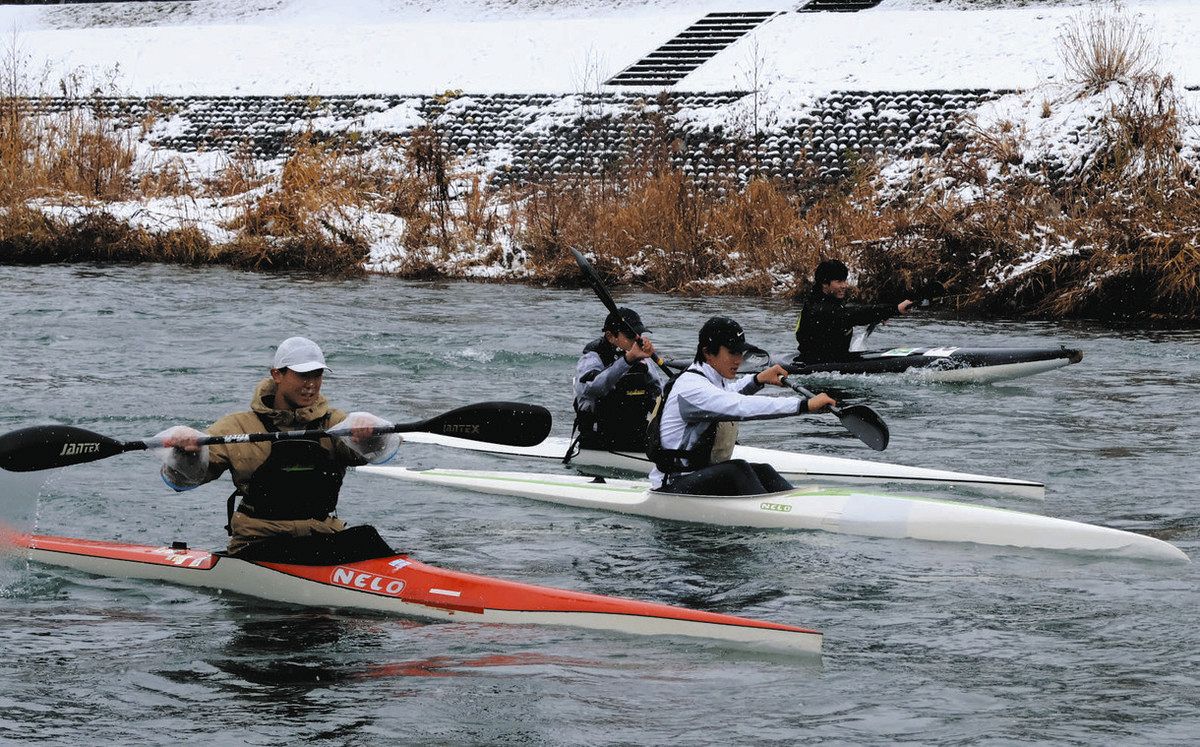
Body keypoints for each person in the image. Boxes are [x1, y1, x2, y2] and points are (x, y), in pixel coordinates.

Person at [156, 336, 401, 563]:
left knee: (367, 537)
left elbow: (371, 455)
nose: (311, 385)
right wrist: (187, 451)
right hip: (258, 543)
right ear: (277, 375)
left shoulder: (334, 423)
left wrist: (369, 435)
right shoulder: (237, 426)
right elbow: (183, 480)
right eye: (303, 375)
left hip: (321, 535)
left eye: (317, 375)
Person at [647, 316, 837, 496]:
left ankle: (796, 504)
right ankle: (772, 512)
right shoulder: (691, 388)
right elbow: (740, 406)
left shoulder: (708, 378)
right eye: (732, 352)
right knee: (737, 470)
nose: (738, 360)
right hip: (673, 485)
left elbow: (729, 395)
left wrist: (758, 379)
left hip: (698, 477)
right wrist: (804, 405)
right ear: (707, 352)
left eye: (740, 352)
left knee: (763, 470)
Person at [573, 307, 668, 452]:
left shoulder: (640, 358)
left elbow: (658, 392)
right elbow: (590, 388)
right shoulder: (592, 357)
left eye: (639, 335)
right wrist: (627, 360)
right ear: (611, 336)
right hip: (599, 442)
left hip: (635, 438)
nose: (637, 340)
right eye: (631, 336)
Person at [794, 259, 914, 363]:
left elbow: (852, 314)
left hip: (830, 360)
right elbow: (855, 315)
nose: (845, 285)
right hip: (818, 366)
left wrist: (878, 315)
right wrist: (895, 309)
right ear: (825, 283)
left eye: (845, 281)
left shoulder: (822, 301)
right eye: (839, 282)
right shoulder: (819, 309)